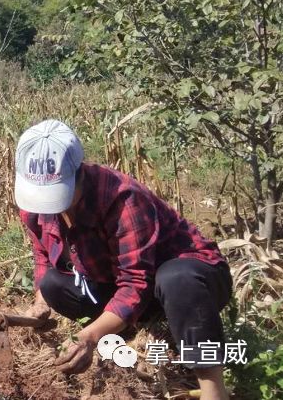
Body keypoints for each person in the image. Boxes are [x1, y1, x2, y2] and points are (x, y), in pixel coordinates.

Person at [15, 120, 231, 399]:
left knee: (176, 278)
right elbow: (43, 255)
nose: (49, 207)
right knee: (53, 284)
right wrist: (39, 302)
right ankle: (123, 337)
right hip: (118, 283)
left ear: (79, 175)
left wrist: (88, 337)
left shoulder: (123, 199)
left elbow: (136, 283)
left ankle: (214, 388)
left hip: (187, 283)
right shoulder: (33, 208)